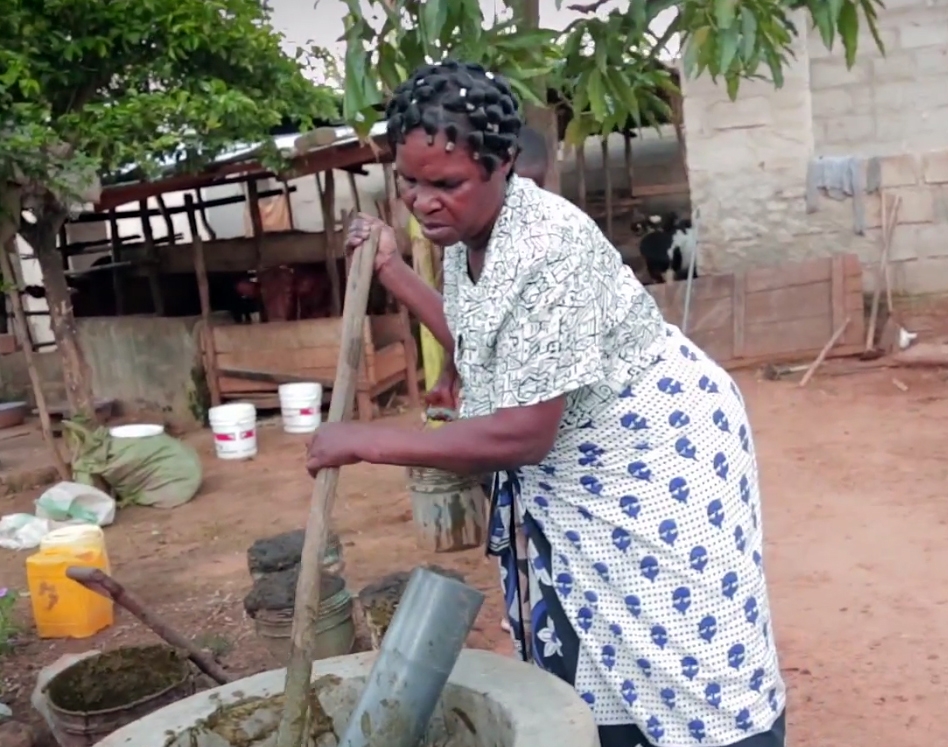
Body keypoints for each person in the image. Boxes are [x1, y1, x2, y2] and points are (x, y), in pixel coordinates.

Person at [305, 59, 786, 747]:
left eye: (446, 184)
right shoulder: (469, 235)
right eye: (407, 181)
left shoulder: (548, 248)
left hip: (655, 453)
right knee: (590, 636)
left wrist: (360, 440)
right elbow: (481, 341)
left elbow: (523, 434)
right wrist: (390, 268)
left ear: (504, 166)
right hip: (576, 455)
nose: (422, 201)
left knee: (680, 640)